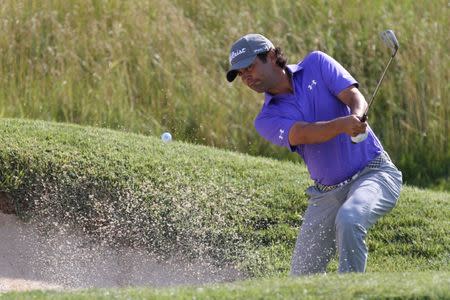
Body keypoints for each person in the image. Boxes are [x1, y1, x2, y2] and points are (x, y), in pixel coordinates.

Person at [226, 33, 403, 275]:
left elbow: (354, 97)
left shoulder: (317, 64)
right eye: (240, 74)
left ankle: (350, 292)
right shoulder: (265, 119)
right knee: (301, 277)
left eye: (249, 67)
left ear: (270, 56)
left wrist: (357, 117)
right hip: (326, 195)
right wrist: (343, 125)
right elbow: (303, 134)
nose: (246, 77)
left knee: (350, 219)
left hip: (373, 172)